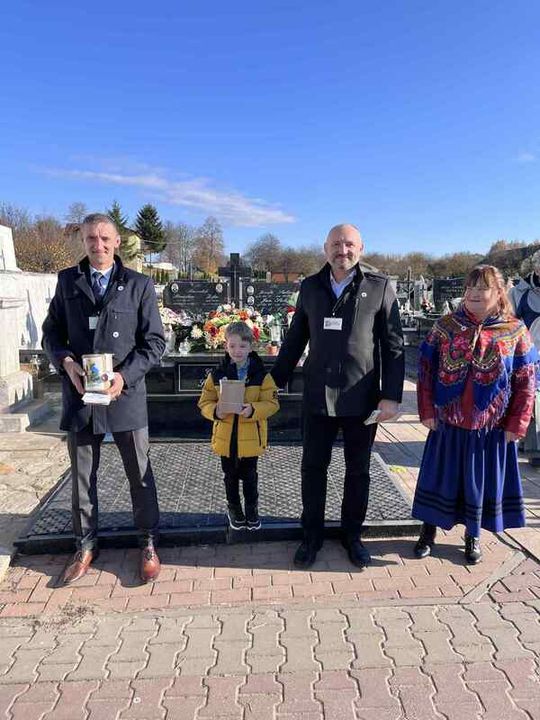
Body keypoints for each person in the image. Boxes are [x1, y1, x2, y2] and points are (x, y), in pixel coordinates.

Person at [271, 223, 405, 569]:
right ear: (325, 248)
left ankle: (352, 536)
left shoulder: (379, 287)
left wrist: (391, 396)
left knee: (358, 471)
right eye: (335, 244)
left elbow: (393, 346)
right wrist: (273, 381)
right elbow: (295, 339)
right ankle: (311, 536)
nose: (341, 251)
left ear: (360, 248)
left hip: (362, 397)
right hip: (317, 396)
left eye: (348, 244)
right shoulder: (310, 287)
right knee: (313, 468)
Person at [42, 213, 165, 585]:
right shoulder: (67, 281)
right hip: (81, 395)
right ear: (83, 241)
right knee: (82, 477)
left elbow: (154, 342)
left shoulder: (139, 284)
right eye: (91, 239)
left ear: (117, 242)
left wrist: (123, 376)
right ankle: (84, 545)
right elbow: (51, 333)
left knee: (139, 474)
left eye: (105, 238)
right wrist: (65, 362)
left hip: (124, 394)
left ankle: (147, 541)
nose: (98, 245)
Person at [413, 265, 537, 563]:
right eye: (470, 288)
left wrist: (518, 423)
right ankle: (427, 532)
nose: (473, 293)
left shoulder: (515, 330)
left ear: (499, 293)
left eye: (482, 288)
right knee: (438, 478)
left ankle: (473, 534)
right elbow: (426, 369)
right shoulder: (445, 326)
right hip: (448, 421)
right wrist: (427, 410)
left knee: (477, 484)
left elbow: (526, 380)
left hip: (490, 427)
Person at [198, 321, 279, 530]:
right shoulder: (217, 374)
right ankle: (234, 508)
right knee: (230, 477)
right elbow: (204, 402)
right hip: (226, 437)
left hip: (251, 438)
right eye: (232, 346)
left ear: (251, 347)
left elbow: (272, 403)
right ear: (225, 346)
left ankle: (252, 508)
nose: (237, 351)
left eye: (242, 346)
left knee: (250, 476)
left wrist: (253, 409)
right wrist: (216, 411)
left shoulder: (261, 375)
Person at [509, 251, 540, 464]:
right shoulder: (518, 292)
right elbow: (508, 324)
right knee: (533, 399)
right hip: (531, 355)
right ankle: (534, 450)